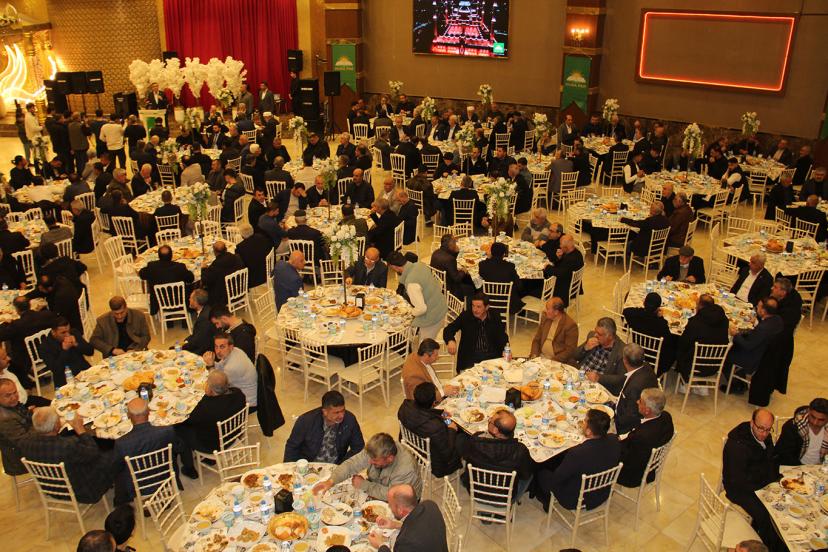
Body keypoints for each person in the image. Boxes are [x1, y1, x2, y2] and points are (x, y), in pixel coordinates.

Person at [19, 406, 118, 504]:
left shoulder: (24, 442)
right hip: (83, 492)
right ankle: (120, 495)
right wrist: (80, 430)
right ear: (56, 426)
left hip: (51, 488)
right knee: (115, 451)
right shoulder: (67, 445)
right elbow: (93, 452)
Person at [722, 409, 784, 550]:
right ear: (752, 423)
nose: (764, 434)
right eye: (760, 428)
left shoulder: (763, 435)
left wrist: (774, 480)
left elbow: (770, 459)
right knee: (767, 515)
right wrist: (764, 489)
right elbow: (737, 480)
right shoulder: (737, 447)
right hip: (740, 490)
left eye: (768, 430)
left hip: (759, 483)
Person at [537, 408, 620, 510]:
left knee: (540, 471)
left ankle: (546, 501)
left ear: (589, 431)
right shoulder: (614, 440)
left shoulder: (577, 454)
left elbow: (557, 479)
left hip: (577, 499)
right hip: (603, 491)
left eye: (585, 421)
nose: (583, 423)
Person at [175, 370, 246, 479]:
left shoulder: (207, 407)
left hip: (213, 445)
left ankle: (189, 468)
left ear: (211, 389)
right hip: (233, 436)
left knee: (179, 428)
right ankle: (208, 460)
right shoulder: (238, 394)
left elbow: (188, 420)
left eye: (207, 383)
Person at [313, 432, 423, 500]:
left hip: (403, 501)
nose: (369, 462)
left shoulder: (406, 470)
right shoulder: (376, 451)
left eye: (375, 461)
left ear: (389, 458)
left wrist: (364, 485)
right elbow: (352, 464)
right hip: (377, 487)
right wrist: (331, 481)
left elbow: (392, 494)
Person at [113, 398, 180, 504]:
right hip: (166, 477)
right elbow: (178, 448)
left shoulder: (122, 443)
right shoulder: (167, 431)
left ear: (129, 415)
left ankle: (121, 501)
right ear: (149, 412)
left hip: (139, 485)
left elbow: (117, 466)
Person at [461, 409, 534, 499]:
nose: (489, 420)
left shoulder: (475, 441)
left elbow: (466, 457)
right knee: (530, 473)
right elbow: (525, 475)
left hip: (476, 492)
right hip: (505, 497)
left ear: (495, 430)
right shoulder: (520, 450)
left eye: (490, 421)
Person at [591, 344, 659, 434]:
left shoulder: (635, 386)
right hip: (627, 407)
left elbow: (630, 416)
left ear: (625, 361)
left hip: (623, 427)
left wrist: (611, 419)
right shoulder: (646, 365)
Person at [284, 390, 364, 464]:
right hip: (310, 465)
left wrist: (343, 465)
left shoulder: (350, 420)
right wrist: (291, 468)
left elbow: (358, 446)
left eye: (343, 410)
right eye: (336, 412)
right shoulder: (305, 421)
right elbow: (292, 447)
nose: (341, 415)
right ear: (325, 411)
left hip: (336, 465)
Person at [724, 297, 784, 394]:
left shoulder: (763, 328)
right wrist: (756, 324)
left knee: (726, 353)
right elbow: (761, 336)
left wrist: (736, 334)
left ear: (763, 311)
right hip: (767, 354)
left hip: (754, 358)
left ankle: (737, 386)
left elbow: (748, 345)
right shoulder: (777, 320)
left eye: (759, 307)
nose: (756, 308)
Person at [617, 388, 674, 488]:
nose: (637, 402)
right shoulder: (666, 416)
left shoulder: (641, 437)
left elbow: (628, 459)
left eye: (640, 401)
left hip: (632, 475)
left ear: (647, 410)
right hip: (648, 460)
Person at [368, 484, 449, 552]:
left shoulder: (406, 543)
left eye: (390, 504)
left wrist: (380, 545)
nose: (389, 506)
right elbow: (418, 526)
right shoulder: (429, 505)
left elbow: (413, 535)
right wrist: (395, 525)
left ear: (400, 510)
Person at [386, 252, 447, 340]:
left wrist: (410, 313)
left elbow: (421, 309)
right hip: (440, 304)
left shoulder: (411, 283)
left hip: (433, 316)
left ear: (394, 267)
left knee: (425, 346)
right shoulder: (420, 265)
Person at [443, 292, 509, 372]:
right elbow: (448, 329)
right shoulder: (466, 316)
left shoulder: (494, 316)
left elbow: (502, 335)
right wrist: (450, 340)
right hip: (472, 358)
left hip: (492, 356)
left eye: (478, 307)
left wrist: (506, 349)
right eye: (473, 306)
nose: (475, 310)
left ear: (487, 307)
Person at [0, 297, 57, 387]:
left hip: (27, 358)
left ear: (17, 309)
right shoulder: (46, 315)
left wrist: (5, 323)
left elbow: (1, 335)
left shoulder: (16, 325)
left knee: (9, 349)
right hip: (48, 348)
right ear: (30, 305)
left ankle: (24, 381)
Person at [676, 294, 730, 386]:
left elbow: (683, 343)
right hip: (715, 365)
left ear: (700, 306)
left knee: (677, 346)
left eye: (697, 304)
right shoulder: (724, 320)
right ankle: (701, 384)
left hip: (695, 365)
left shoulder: (696, 322)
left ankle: (684, 383)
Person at [622, 292, 676, 375]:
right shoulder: (661, 324)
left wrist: (642, 310)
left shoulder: (635, 316)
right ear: (658, 309)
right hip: (655, 358)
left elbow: (626, 311)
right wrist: (661, 317)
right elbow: (668, 340)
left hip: (638, 350)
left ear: (644, 303)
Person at [202, 333, 257, 409]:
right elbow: (221, 366)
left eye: (222, 347)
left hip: (247, 403)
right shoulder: (235, 350)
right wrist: (211, 362)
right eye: (216, 347)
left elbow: (216, 386)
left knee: (207, 402)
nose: (218, 351)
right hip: (241, 393)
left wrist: (211, 366)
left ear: (231, 347)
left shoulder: (232, 367)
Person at [138, 244, 195, 315]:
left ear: (159, 256)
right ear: (171, 256)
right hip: (180, 301)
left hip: (159, 302)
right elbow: (191, 279)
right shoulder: (180, 267)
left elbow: (141, 275)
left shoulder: (152, 266)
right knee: (191, 287)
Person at [769, 278, 802, 396]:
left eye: (775, 287)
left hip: (780, 342)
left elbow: (774, 323)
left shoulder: (789, 309)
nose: (772, 289)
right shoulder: (782, 299)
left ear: (783, 293)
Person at [573, 317, 625, 389]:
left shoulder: (621, 351)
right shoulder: (591, 336)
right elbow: (574, 356)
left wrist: (599, 378)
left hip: (596, 386)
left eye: (599, 334)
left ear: (610, 336)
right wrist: (585, 348)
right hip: (579, 376)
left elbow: (620, 379)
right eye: (595, 331)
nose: (595, 335)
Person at [40, 317, 93, 387]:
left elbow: (90, 351)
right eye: (63, 333)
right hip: (65, 381)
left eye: (68, 331)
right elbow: (56, 369)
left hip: (84, 372)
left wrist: (76, 344)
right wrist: (64, 350)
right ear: (53, 332)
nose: (67, 335)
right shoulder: (45, 346)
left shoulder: (74, 332)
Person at [775, 398, 828, 466]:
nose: (815, 422)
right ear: (809, 411)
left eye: (821, 420)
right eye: (813, 417)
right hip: (796, 466)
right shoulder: (792, 427)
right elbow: (785, 454)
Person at [529, 297, 579, 363]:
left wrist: (551, 362)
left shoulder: (570, 326)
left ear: (556, 312)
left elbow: (570, 351)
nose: (545, 310)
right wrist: (534, 356)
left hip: (557, 361)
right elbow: (537, 340)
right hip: (540, 357)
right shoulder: (546, 318)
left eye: (547, 309)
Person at [429, 233, 474, 301]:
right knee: (471, 288)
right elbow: (457, 278)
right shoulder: (449, 259)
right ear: (450, 244)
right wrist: (464, 271)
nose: (456, 244)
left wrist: (456, 252)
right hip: (449, 290)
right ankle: (467, 306)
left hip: (437, 285)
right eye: (455, 242)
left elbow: (449, 265)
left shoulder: (435, 252)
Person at [543, 234, 584, 307]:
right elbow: (563, 268)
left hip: (564, 290)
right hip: (570, 282)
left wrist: (547, 267)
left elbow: (558, 273)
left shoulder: (570, 259)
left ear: (566, 247)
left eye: (561, 245)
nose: (560, 246)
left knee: (535, 286)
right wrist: (559, 257)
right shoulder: (576, 253)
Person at [200, 241, 245, 308]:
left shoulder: (216, 264)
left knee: (202, 287)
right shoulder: (236, 257)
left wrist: (203, 269)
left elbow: (205, 280)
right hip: (240, 290)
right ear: (226, 249)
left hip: (224, 297)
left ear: (215, 252)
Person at [235, 223, 274, 289]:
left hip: (254, 279)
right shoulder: (262, 238)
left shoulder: (240, 248)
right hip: (268, 271)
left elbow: (241, 266)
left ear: (242, 235)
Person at [181, 289, 213, 355]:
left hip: (203, 351)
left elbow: (197, 342)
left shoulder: (203, 319)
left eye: (191, 298)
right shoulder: (207, 309)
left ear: (196, 302)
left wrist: (182, 346)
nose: (189, 299)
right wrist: (186, 340)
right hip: (203, 344)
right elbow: (197, 335)